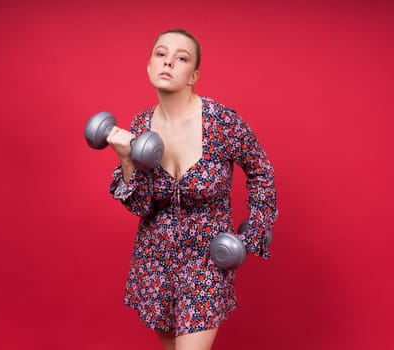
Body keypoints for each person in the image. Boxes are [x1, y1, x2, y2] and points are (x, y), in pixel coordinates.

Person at [107, 29, 278, 350]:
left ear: (193, 75)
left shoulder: (221, 121)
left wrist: (254, 234)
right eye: (161, 54)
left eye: (181, 57)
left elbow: (261, 170)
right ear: (148, 66)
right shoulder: (141, 125)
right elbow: (142, 207)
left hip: (206, 262)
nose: (168, 61)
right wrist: (126, 160)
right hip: (155, 262)